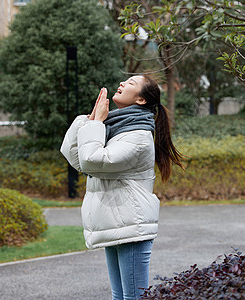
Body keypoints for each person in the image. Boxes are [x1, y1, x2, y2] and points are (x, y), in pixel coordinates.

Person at [60, 75, 184, 300]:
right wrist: (89, 120)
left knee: (133, 298)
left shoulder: (137, 136)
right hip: (116, 222)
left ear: (141, 100)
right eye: (124, 81)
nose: (123, 84)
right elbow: (76, 159)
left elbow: (92, 160)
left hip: (132, 226)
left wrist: (96, 124)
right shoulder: (115, 129)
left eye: (131, 84)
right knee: (120, 297)